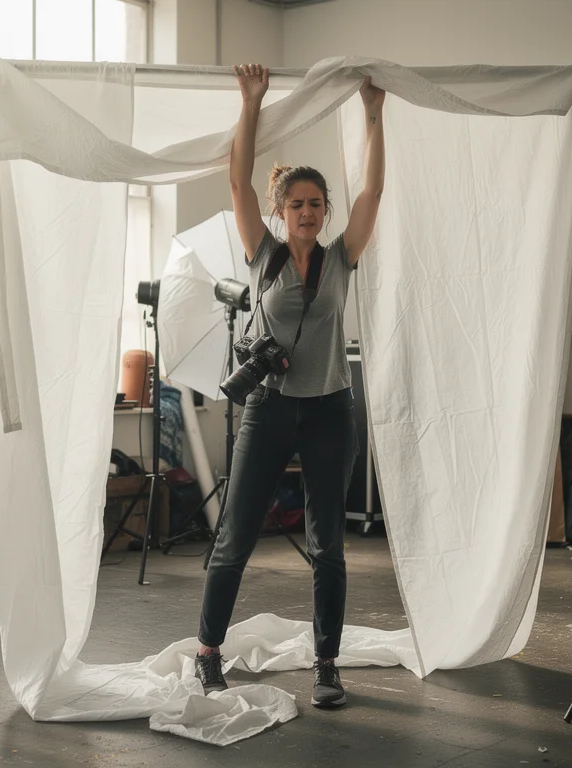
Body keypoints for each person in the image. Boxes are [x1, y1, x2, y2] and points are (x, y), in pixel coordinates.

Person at [193, 63, 386, 709]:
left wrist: (373, 113)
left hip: (331, 411)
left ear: (325, 210)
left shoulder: (341, 259)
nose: (307, 211)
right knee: (234, 539)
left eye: (316, 203)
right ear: (280, 213)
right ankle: (207, 654)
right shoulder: (264, 257)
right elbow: (236, 179)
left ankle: (326, 665)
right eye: (296, 204)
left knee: (328, 546)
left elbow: (373, 196)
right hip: (270, 411)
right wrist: (252, 102)